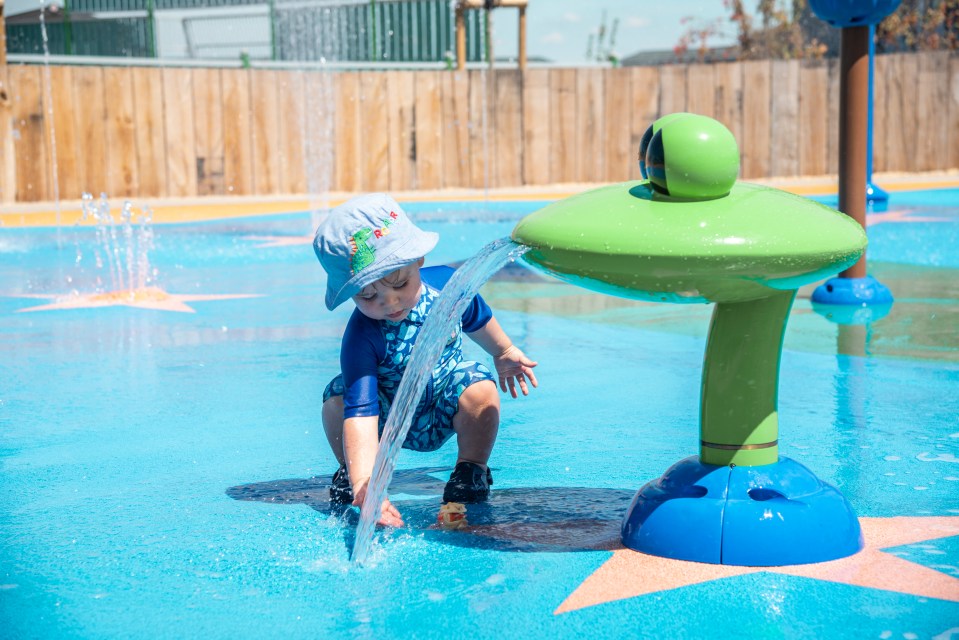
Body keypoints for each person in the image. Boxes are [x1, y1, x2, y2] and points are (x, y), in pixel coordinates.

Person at [314, 193, 538, 527]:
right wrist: (367, 483)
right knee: (337, 398)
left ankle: (470, 470)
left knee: (480, 386)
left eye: (400, 284)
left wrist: (503, 352)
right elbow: (362, 415)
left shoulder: (448, 288)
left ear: (418, 259)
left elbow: (478, 317)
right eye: (368, 295)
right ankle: (353, 474)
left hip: (443, 408)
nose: (390, 302)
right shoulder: (362, 335)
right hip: (386, 423)